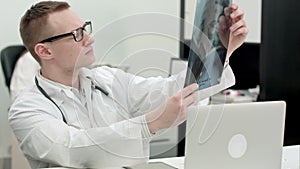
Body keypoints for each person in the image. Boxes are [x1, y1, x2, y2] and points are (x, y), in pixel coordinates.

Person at [8, 1, 248, 168]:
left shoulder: (106, 79)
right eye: (76, 34)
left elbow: (168, 91)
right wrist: (148, 124)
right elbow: (74, 149)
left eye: (85, 28)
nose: (89, 38)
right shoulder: (26, 109)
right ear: (44, 51)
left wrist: (220, 51)